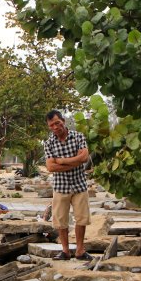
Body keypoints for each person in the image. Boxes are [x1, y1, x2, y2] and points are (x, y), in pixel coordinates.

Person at [43, 109, 92, 261]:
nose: (55, 127)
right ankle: (65, 251)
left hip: (79, 184)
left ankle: (80, 250)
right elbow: (51, 167)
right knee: (60, 220)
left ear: (63, 121)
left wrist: (62, 161)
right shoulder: (49, 143)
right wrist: (74, 161)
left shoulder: (78, 136)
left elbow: (84, 157)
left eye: (57, 123)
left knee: (81, 218)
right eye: (52, 125)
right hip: (60, 185)